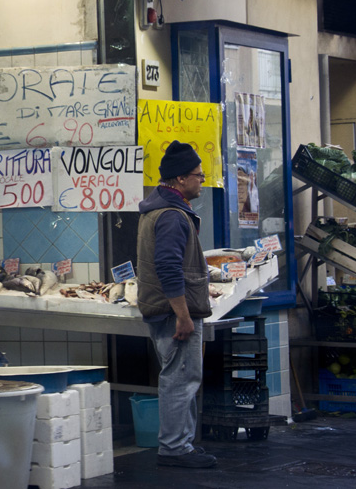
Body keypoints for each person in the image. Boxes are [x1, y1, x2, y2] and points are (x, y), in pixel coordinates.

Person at [136, 140, 217, 469]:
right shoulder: (171, 216)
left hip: (167, 310)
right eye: (199, 175)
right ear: (181, 179)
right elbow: (169, 268)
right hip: (173, 314)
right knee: (180, 379)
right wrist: (183, 314)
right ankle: (174, 447)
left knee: (183, 378)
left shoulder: (159, 210)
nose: (202, 180)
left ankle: (182, 443)